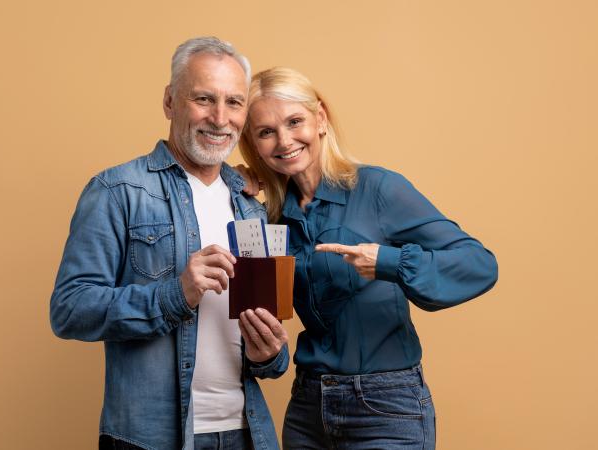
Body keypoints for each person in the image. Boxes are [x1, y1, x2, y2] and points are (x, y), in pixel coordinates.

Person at [237, 67, 498, 449]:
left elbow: (479, 264)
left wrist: (388, 262)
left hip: (385, 408)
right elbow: (260, 321)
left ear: (321, 119)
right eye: (266, 132)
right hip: (307, 410)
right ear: (254, 144)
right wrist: (231, 191)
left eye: (295, 122)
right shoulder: (269, 218)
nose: (284, 140)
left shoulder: (378, 189)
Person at [50, 37, 289, 450]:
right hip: (150, 436)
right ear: (169, 101)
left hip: (247, 432)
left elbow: (269, 357)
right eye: (203, 99)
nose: (220, 118)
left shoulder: (251, 205)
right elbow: (69, 309)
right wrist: (175, 294)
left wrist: (268, 353)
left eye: (234, 102)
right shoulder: (117, 190)